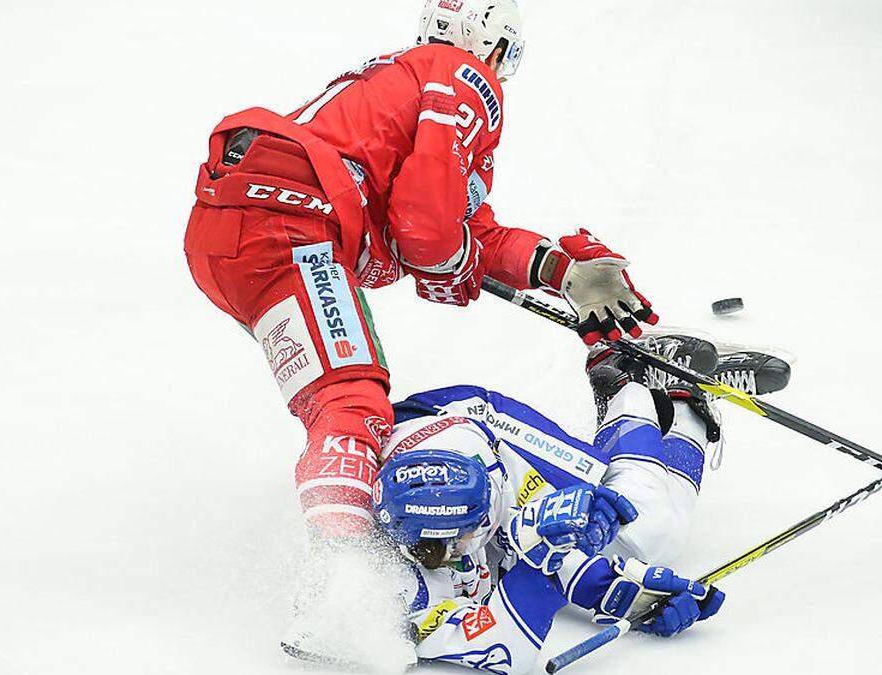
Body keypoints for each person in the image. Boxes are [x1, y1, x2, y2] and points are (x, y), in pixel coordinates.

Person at [182, 0, 658, 545]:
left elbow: (466, 227)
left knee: (334, 403)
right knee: (351, 402)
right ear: (494, 44)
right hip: (289, 230)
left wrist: (563, 272)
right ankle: (346, 572)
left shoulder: (403, 79)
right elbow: (427, 230)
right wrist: (452, 261)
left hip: (231, 240)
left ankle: (356, 523)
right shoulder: (464, 77)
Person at [321, 336, 791, 673]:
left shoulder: (486, 477)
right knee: (654, 543)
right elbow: (504, 647)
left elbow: (540, 543)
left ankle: (632, 378)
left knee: (645, 519)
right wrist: (630, 595)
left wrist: (571, 546)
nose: (474, 538)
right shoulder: (390, 590)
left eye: (479, 524)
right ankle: (688, 397)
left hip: (476, 422)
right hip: (437, 460)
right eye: (460, 536)